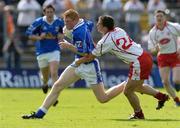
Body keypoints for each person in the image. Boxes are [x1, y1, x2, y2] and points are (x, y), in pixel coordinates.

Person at [22, 9, 126, 119]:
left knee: (103, 98)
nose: (65, 24)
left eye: (68, 21)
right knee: (57, 86)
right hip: (77, 64)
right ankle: (39, 114)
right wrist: (84, 40)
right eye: (65, 21)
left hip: (89, 65)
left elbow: (86, 53)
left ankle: (126, 84)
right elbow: (89, 25)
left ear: (75, 20)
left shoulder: (79, 32)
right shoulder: (83, 23)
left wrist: (69, 46)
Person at [64, 15, 170, 119]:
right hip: (144, 56)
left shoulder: (105, 41)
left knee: (128, 91)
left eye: (99, 23)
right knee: (137, 87)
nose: (97, 25)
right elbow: (102, 46)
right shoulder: (119, 30)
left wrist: (78, 61)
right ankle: (161, 97)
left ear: (104, 27)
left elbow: (91, 56)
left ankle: (139, 114)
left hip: (138, 62)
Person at [26, 4, 64, 94]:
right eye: (47, 12)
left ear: (53, 12)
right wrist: (39, 37)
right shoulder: (39, 22)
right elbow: (28, 34)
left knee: (54, 73)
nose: (49, 14)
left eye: (51, 12)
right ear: (44, 13)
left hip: (54, 50)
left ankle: (54, 95)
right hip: (42, 51)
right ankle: (44, 83)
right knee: (45, 76)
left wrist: (61, 36)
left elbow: (64, 33)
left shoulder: (59, 22)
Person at [148, 10, 180, 106]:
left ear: (165, 17)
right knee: (165, 82)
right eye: (157, 16)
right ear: (154, 18)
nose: (159, 18)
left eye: (161, 16)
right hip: (162, 57)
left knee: (176, 80)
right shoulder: (152, 32)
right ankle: (177, 100)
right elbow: (151, 49)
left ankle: (177, 84)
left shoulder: (173, 26)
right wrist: (155, 49)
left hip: (175, 55)